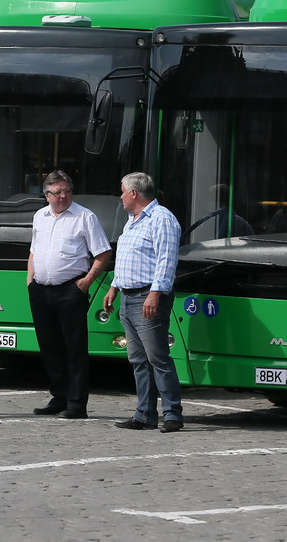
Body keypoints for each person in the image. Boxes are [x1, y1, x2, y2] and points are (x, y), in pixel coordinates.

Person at [102, 172, 184, 433]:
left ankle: (172, 414)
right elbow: (127, 259)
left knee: (158, 357)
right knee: (138, 359)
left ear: (134, 193)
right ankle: (144, 415)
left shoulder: (162, 219)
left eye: (123, 191)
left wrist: (155, 293)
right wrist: (114, 288)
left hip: (147, 296)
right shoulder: (132, 221)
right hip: (128, 296)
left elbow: (166, 261)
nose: (121, 196)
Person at [27, 170, 112, 419]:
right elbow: (33, 251)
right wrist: (30, 281)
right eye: (57, 192)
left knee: (74, 348)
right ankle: (58, 397)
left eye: (67, 191)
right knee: (50, 347)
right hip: (41, 290)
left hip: (70, 289)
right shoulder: (39, 216)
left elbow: (103, 253)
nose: (63, 196)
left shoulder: (85, 216)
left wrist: (86, 282)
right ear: (46, 195)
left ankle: (76, 404)